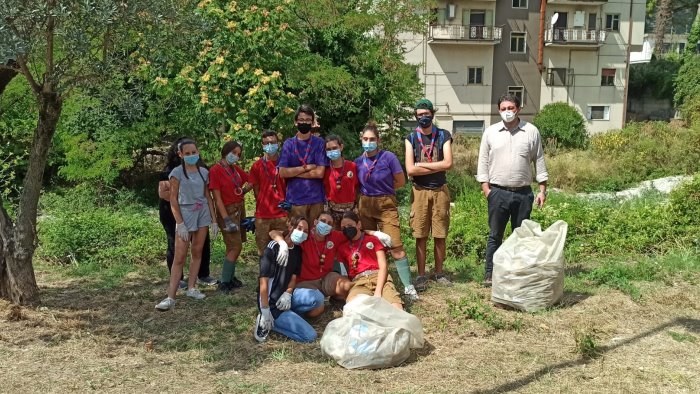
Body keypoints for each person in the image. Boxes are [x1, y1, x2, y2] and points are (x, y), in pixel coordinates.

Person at [476, 93, 549, 287]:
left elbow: (539, 161)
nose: (507, 112)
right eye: (503, 109)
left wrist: (542, 190)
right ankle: (490, 275)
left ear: (518, 108)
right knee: (495, 235)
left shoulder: (531, 131)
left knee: (521, 237)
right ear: (498, 110)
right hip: (497, 192)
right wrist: (486, 189)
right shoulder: (490, 132)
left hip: (523, 193)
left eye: (511, 108)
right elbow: (482, 162)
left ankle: (517, 273)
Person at [355, 122, 419, 300]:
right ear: (361, 140)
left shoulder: (388, 157)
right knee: (369, 245)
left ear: (378, 140)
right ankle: (375, 282)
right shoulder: (358, 161)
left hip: (386, 204)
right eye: (366, 139)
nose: (369, 142)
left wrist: (383, 190)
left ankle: (408, 286)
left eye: (372, 139)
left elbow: (400, 181)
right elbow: (356, 186)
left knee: (395, 245)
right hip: (365, 204)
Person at [156, 138, 218, 311]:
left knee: (197, 251)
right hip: (186, 213)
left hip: (202, 213)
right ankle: (170, 297)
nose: (191, 156)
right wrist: (180, 223)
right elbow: (173, 199)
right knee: (180, 256)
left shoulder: (204, 172)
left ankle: (192, 287)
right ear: (180, 154)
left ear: (198, 152)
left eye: (194, 152)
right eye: (187, 153)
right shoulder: (176, 173)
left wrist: (214, 220)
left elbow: (208, 197)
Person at [404, 99, 454, 292]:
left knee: (440, 234)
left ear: (433, 114)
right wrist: (433, 166)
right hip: (419, 192)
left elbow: (448, 164)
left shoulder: (443, 135)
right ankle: (421, 275)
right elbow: (409, 169)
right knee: (420, 235)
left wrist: (420, 166)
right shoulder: (410, 138)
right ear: (415, 116)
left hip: (440, 190)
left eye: (426, 114)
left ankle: (440, 272)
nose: (423, 117)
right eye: (419, 115)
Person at [255, 216, 317, 343]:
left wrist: (288, 293)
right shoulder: (273, 247)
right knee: (310, 336)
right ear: (290, 227)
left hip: (284, 298)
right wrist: (265, 309)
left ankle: (287, 315)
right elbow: (263, 282)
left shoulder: (298, 250)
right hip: (271, 303)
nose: (302, 233)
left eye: (305, 231)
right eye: (299, 228)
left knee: (317, 298)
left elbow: (294, 276)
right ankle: (269, 321)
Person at [209, 140, 252, 293]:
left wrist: (244, 191)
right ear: (226, 150)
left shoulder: (234, 169)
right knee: (235, 246)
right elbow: (217, 198)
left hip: (239, 209)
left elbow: (250, 179)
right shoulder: (215, 170)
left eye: (238, 154)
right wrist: (226, 219)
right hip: (227, 211)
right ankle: (224, 282)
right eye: (233, 152)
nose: (236, 156)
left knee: (234, 245)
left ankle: (230, 278)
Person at [337, 211, 403, 309]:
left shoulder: (373, 240)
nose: (347, 229)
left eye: (350, 225)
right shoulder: (342, 248)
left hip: (379, 278)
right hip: (359, 282)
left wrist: (378, 291)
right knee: (352, 308)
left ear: (358, 224)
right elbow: (345, 271)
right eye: (343, 228)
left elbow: (383, 266)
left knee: (396, 309)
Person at [278, 104, 328, 222]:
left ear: (312, 122)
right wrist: (307, 168)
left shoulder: (319, 143)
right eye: (301, 120)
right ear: (296, 122)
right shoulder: (288, 144)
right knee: (297, 236)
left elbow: (320, 173)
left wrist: (294, 172)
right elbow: (283, 172)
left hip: (316, 199)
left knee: (316, 236)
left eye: (307, 120)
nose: (304, 123)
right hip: (295, 200)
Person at [249, 130, 288, 256]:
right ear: (262, 145)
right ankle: (265, 275)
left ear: (278, 143)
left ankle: (280, 276)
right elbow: (256, 190)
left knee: (282, 249)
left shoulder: (286, 162)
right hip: (263, 215)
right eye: (266, 143)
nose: (269, 145)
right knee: (263, 251)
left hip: (283, 214)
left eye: (272, 142)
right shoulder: (257, 166)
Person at [323, 134, 358, 230]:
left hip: (351, 211)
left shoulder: (352, 166)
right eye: (328, 149)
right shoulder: (325, 170)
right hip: (332, 213)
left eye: (334, 148)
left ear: (341, 147)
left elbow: (358, 187)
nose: (332, 151)